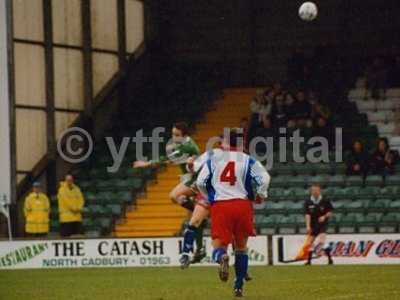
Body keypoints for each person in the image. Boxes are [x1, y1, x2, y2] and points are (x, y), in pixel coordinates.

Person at [196, 129, 271, 297]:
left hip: (221, 206)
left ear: (225, 143)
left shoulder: (214, 159)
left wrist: (209, 196)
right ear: (242, 143)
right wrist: (261, 194)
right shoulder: (247, 160)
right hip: (242, 205)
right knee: (242, 248)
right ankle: (238, 286)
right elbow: (265, 178)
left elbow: (200, 181)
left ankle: (222, 257)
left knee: (218, 246)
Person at [133, 122, 207, 263]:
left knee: (174, 195)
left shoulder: (187, 146)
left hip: (197, 180)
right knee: (193, 219)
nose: (174, 137)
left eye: (176, 135)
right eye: (173, 134)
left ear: (184, 135)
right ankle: (199, 248)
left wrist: (146, 163)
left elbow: (167, 159)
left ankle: (200, 211)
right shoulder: (183, 144)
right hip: (191, 178)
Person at [296, 184, 333, 265]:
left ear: (320, 191)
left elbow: (330, 212)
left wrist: (324, 216)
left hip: (322, 224)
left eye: (316, 190)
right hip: (313, 225)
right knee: (309, 243)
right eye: (313, 190)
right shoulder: (308, 201)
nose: (314, 192)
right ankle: (309, 261)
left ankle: (330, 260)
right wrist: (308, 226)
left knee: (321, 241)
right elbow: (307, 215)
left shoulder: (325, 200)